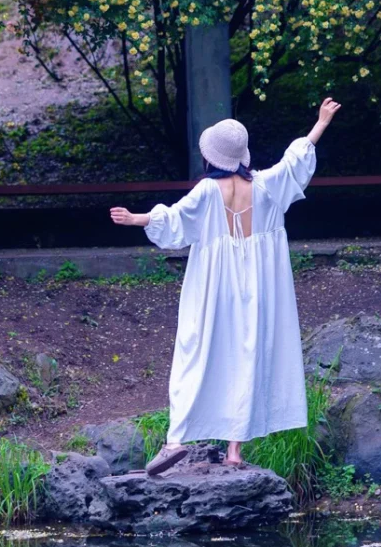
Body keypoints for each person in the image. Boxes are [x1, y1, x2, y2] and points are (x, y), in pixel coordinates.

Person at [110, 97, 341, 474]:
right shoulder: (265, 187)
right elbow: (295, 161)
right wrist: (321, 122)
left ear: (213, 158)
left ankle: (175, 440)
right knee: (247, 356)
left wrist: (135, 218)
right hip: (260, 289)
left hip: (214, 288)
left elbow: (173, 220)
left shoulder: (207, 192)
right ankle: (234, 450)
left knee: (195, 351)